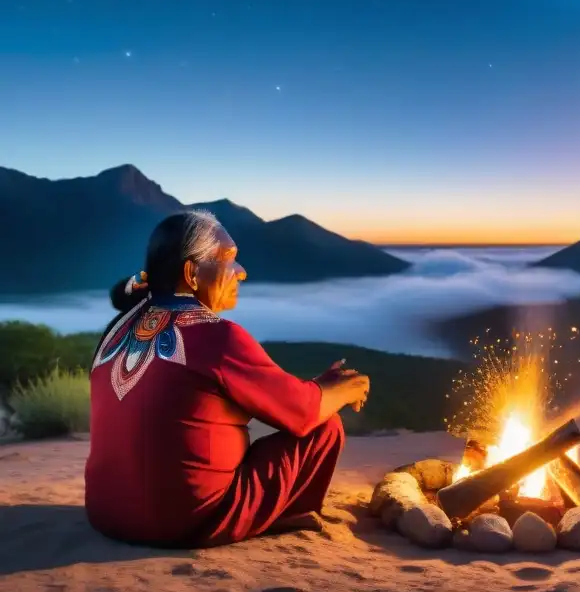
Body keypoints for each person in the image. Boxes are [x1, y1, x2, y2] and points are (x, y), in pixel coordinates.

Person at [85, 210, 370, 548]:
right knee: (325, 427)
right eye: (230, 260)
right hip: (184, 521)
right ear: (192, 273)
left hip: (105, 513)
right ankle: (284, 513)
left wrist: (320, 387)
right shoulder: (217, 337)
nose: (242, 272)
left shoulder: (118, 328)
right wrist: (341, 387)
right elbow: (304, 412)